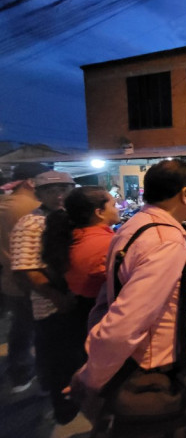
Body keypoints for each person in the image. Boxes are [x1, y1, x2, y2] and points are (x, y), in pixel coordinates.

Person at [69, 159, 186, 437]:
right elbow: (126, 321)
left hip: (157, 360)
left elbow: (108, 296)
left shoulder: (136, 226)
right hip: (163, 369)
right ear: (185, 194)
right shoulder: (163, 241)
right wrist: (92, 377)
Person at [11, 170, 78, 423]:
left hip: (75, 301)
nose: (59, 195)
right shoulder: (30, 223)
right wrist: (56, 297)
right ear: (39, 194)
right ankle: (63, 409)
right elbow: (26, 269)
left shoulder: (72, 217)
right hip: (51, 306)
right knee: (59, 361)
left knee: (76, 357)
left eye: (64, 189)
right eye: (51, 191)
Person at [41, 187, 120, 357]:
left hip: (77, 312)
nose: (118, 208)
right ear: (99, 212)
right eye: (113, 205)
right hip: (100, 316)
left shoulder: (73, 237)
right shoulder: (108, 243)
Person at [0, 162, 50, 393]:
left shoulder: (4, 204)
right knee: (42, 329)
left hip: (9, 280)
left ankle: (20, 373)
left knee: (21, 328)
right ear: (31, 182)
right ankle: (42, 376)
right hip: (35, 280)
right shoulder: (35, 209)